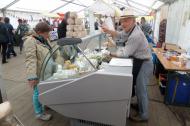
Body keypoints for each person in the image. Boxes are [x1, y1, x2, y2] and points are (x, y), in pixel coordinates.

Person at [102, 13, 153, 122]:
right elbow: (120, 35)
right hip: (140, 61)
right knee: (139, 87)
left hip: (145, 63)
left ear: (133, 21)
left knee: (141, 89)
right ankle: (140, 105)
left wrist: (109, 54)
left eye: (126, 20)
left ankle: (144, 115)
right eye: (122, 21)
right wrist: (109, 31)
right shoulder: (132, 29)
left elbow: (125, 53)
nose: (123, 23)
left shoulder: (135, 35)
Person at [24, 22, 52, 121]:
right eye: (47, 33)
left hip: (46, 70)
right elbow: (30, 59)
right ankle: (39, 113)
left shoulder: (43, 39)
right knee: (38, 92)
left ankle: (47, 104)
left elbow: (49, 51)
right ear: (40, 32)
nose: (48, 35)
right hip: (39, 72)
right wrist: (32, 76)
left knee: (47, 88)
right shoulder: (30, 41)